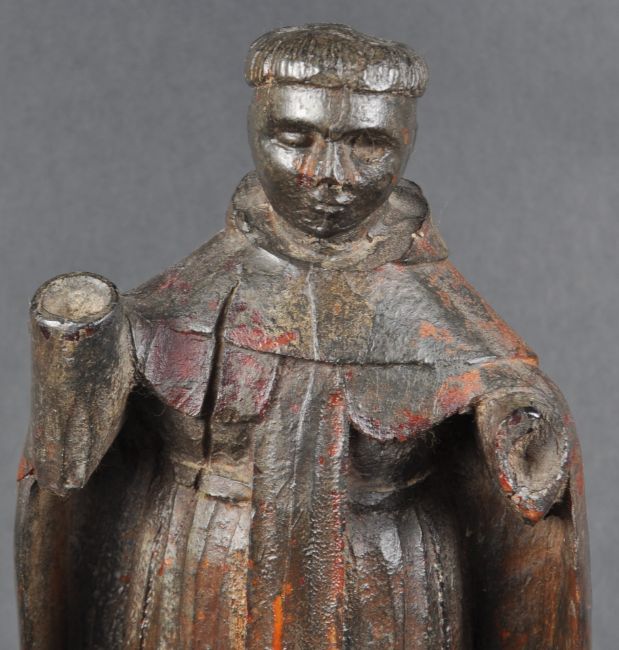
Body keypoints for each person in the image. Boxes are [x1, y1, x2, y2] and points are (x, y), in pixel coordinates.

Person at [16, 24, 590, 649]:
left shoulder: (443, 316)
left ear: (406, 143)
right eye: (295, 138)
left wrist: (518, 421)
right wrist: (81, 364)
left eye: (368, 144)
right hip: (205, 574)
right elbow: (69, 471)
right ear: (257, 128)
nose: (327, 176)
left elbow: (509, 403)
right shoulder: (178, 304)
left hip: (385, 585)